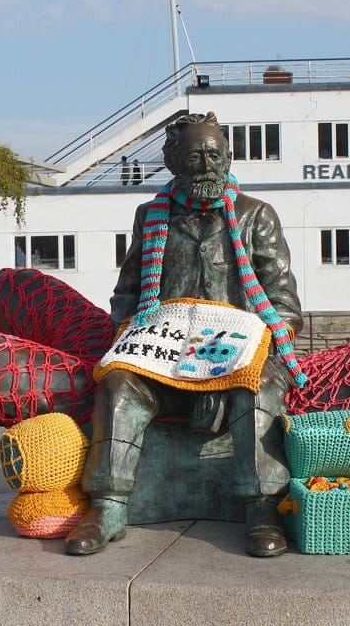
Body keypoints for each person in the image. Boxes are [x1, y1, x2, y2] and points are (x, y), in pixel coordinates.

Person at [65, 112, 306, 558]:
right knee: (117, 383)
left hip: (240, 356)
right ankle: (108, 506)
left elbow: (285, 307)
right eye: (193, 155)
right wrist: (130, 334)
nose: (206, 165)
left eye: (215, 154)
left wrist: (235, 360)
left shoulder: (257, 217)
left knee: (261, 387)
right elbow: (127, 294)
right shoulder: (151, 216)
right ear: (173, 161)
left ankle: (262, 508)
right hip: (163, 359)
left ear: (228, 157)